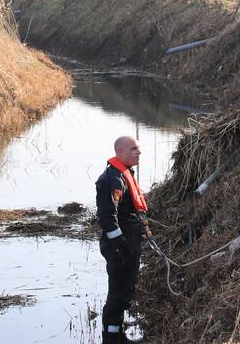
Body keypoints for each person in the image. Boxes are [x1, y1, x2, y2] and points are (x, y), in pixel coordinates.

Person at [95, 136, 146, 343]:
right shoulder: (112, 179)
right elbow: (108, 217)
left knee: (124, 290)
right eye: (134, 149)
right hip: (119, 248)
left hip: (128, 244)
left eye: (138, 149)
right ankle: (111, 338)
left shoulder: (124, 174)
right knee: (117, 292)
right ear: (120, 153)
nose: (138, 152)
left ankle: (117, 335)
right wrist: (121, 246)